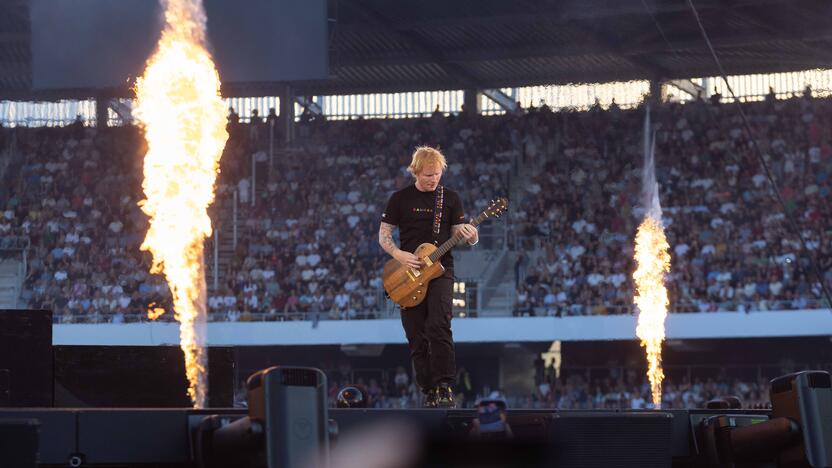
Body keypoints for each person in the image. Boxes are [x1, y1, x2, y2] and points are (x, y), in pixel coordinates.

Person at [379, 146, 478, 408]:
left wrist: (472, 236)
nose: (433, 179)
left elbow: (460, 233)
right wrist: (399, 255)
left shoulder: (450, 198)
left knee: (438, 325)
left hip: (440, 271)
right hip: (408, 271)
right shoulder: (399, 199)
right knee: (416, 335)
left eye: (437, 174)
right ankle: (429, 388)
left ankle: (445, 385)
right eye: (427, 175)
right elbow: (384, 235)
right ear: (415, 172)